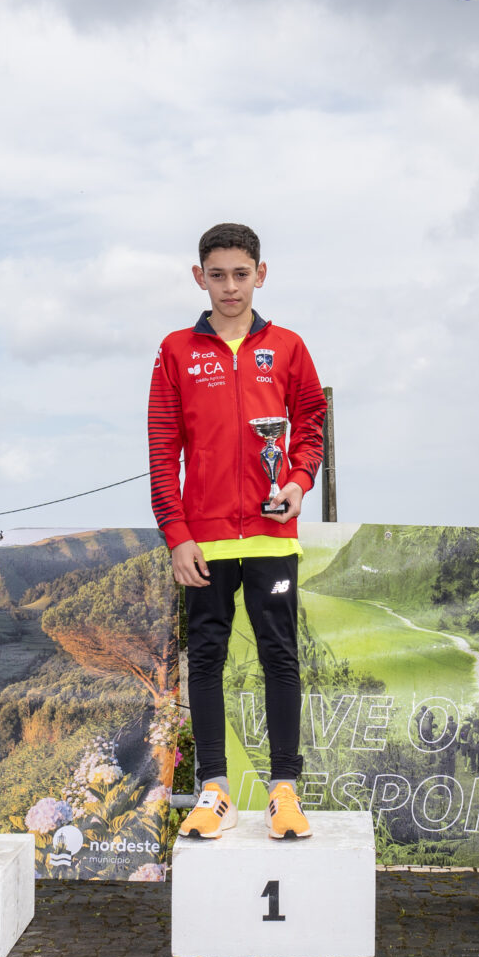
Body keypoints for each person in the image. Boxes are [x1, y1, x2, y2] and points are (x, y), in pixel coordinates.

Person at [148, 223, 327, 840]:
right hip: (205, 540)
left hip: (274, 536)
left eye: (241, 274)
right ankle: (214, 790)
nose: (230, 286)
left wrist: (298, 482)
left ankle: (284, 790)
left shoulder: (289, 347)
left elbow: (311, 424)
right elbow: (162, 450)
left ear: (261, 274)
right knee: (206, 659)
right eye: (218, 275)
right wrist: (177, 534)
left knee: (280, 655)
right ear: (199, 277)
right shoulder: (175, 350)